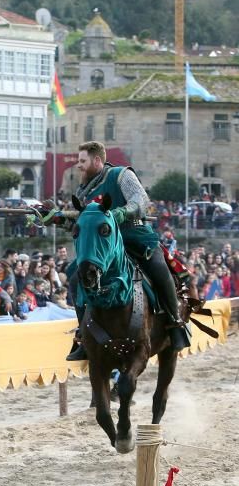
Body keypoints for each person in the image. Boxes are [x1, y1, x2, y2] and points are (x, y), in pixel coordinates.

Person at [63, 141, 189, 360]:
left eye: (82, 161)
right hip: (104, 246)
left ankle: (175, 322)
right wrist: (52, 216)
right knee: (75, 279)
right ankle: (84, 335)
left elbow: (140, 201)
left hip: (133, 236)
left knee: (159, 268)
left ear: (97, 160)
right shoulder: (83, 192)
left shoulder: (121, 175)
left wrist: (122, 212)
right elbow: (81, 224)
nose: (78, 166)